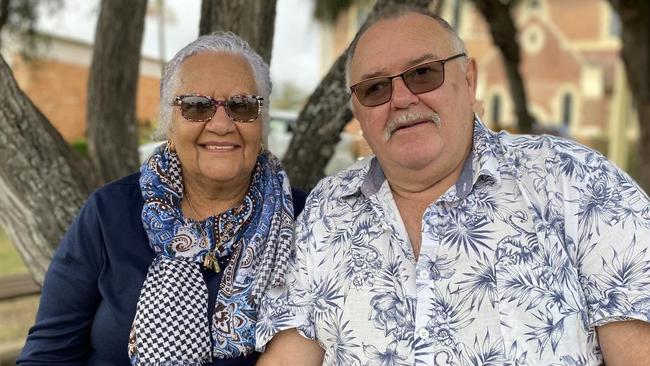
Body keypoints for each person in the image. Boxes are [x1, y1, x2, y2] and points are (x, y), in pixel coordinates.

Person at [255, 5, 650, 366]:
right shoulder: (328, 209)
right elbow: (291, 351)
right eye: (375, 88)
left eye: (424, 73)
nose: (401, 99)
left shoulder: (576, 183)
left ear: (469, 78)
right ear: (357, 111)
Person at [18, 32, 306, 366]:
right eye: (196, 106)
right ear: (169, 122)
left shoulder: (310, 221)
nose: (222, 124)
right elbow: (48, 355)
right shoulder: (109, 213)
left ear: (262, 120)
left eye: (241, 106)